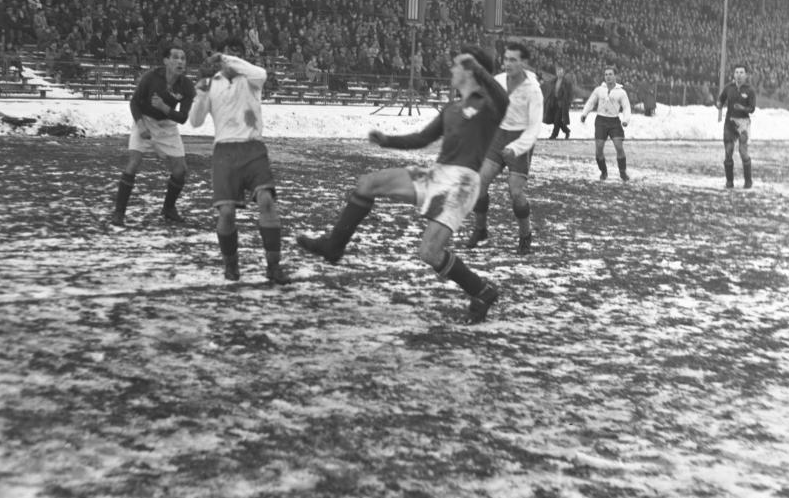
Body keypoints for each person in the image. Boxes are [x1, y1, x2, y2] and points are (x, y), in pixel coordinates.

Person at [297, 46, 510, 324]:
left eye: (458, 65)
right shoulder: (453, 107)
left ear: (471, 71)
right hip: (437, 174)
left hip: (461, 185)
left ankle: (482, 290)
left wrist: (481, 71)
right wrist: (387, 140)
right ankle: (334, 246)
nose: (451, 70)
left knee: (429, 253)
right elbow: (422, 139)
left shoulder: (488, 105)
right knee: (368, 184)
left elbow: (504, 100)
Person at [188, 38, 293, 285]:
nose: (231, 58)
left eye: (237, 54)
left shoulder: (251, 79)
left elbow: (262, 72)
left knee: (266, 202)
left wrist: (225, 58)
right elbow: (195, 121)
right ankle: (231, 265)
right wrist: (200, 93)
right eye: (227, 54)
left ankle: (273, 266)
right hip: (225, 151)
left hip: (253, 148)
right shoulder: (211, 84)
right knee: (226, 213)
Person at [467, 43, 543, 255]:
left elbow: (535, 127)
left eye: (513, 60)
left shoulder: (533, 90)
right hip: (500, 135)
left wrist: (517, 148)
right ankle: (480, 230)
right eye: (506, 59)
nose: (507, 63)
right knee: (480, 181)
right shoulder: (499, 81)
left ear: (524, 63)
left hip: (521, 138)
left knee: (515, 190)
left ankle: (525, 235)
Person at [110, 46, 195, 226]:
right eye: (176, 57)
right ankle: (119, 213)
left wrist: (165, 108)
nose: (180, 61)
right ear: (165, 61)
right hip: (145, 120)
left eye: (183, 58)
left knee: (181, 170)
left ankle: (168, 209)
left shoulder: (186, 85)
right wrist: (140, 125)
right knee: (133, 163)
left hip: (167, 125)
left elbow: (183, 118)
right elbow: (134, 102)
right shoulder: (151, 77)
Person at [579, 66, 631, 181]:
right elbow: (591, 102)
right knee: (599, 149)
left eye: (610, 74)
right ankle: (603, 172)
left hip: (614, 121)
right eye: (606, 74)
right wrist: (584, 114)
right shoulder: (599, 90)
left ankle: (622, 172)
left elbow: (626, 107)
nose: (608, 77)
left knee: (619, 146)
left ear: (615, 76)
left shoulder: (621, 92)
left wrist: (625, 120)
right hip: (601, 121)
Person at [715, 64, 756, 189]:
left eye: (741, 72)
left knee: (743, 152)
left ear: (746, 75)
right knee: (728, 151)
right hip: (730, 123)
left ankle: (748, 182)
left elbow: (752, 109)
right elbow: (720, 99)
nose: (739, 75)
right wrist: (719, 104)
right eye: (736, 72)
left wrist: (743, 108)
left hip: (743, 124)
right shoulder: (729, 87)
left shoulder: (750, 90)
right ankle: (729, 182)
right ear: (734, 74)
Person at [546, 63, 574, 139]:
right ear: (556, 72)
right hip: (553, 103)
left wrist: (568, 103)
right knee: (557, 120)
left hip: (562, 104)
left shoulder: (567, 82)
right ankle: (567, 131)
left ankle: (554, 135)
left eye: (561, 72)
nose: (559, 73)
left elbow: (570, 94)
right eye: (558, 71)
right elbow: (550, 90)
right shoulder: (553, 81)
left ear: (563, 73)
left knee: (556, 120)